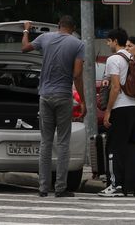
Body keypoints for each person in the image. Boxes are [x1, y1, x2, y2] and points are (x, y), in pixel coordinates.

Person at [21, 17, 85, 198]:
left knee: (46, 142)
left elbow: (24, 48)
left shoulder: (45, 38)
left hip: (45, 96)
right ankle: (60, 188)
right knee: (63, 142)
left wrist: (26, 30)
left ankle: (43, 188)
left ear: (58, 26)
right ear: (72, 28)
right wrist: (82, 101)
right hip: (64, 96)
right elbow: (78, 75)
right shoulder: (78, 44)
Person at [99, 29, 135, 198]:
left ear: (114, 41)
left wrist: (108, 111)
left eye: (108, 41)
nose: (107, 44)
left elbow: (115, 87)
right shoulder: (132, 57)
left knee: (114, 147)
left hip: (121, 108)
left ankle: (116, 184)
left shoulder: (114, 59)